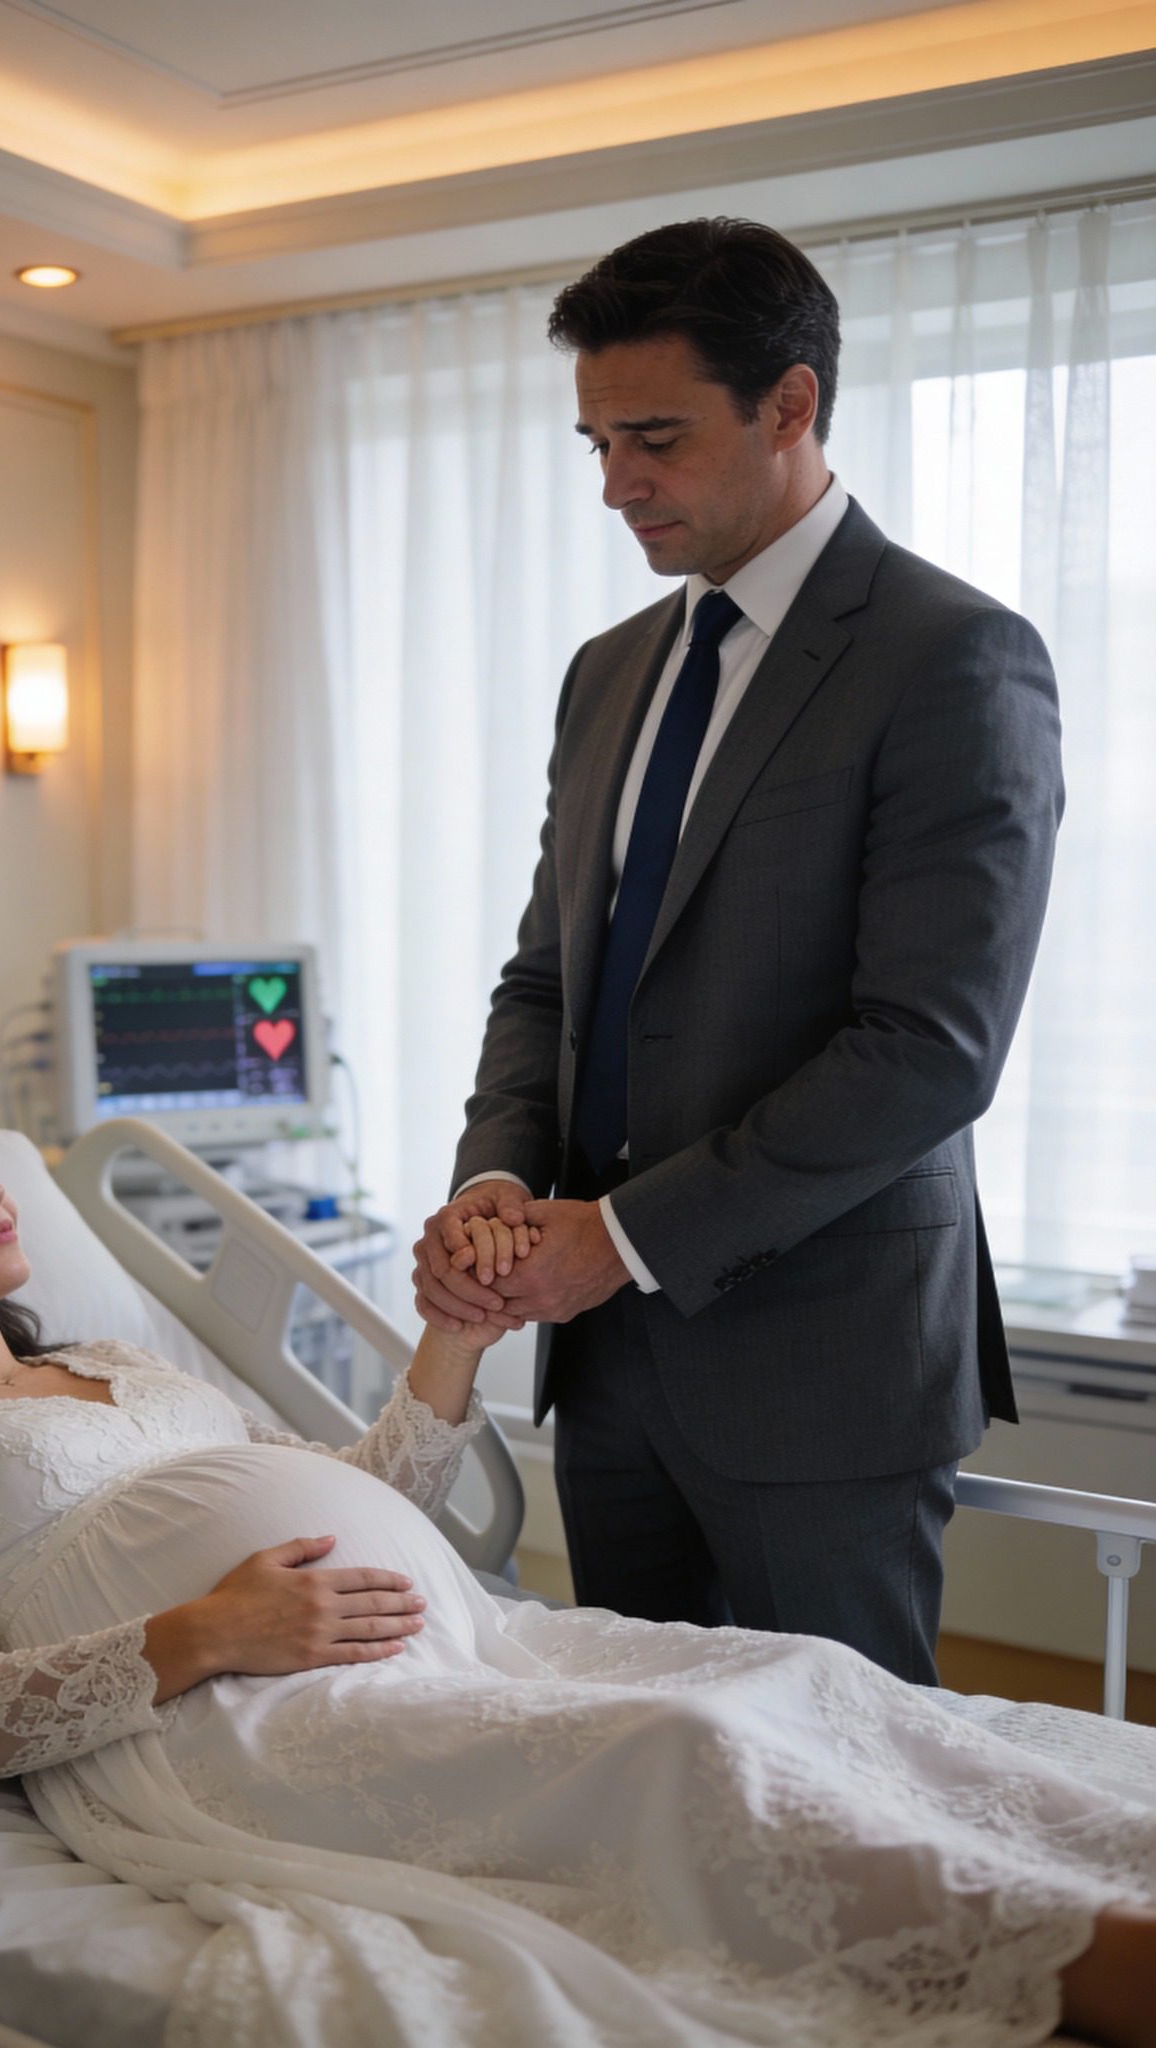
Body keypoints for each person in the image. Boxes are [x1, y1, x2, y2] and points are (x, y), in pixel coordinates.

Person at [0, 1087, 1155, 2048]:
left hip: (460, 1639)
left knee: (796, 1680)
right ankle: (1092, 1967)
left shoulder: (117, 1362)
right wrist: (206, 1633)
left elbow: (362, 1494)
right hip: (235, 1719)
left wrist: (457, 1337)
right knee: (684, 1749)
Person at [412, 216, 1065, 1686]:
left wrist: (622, 1238)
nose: (616, 484)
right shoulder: (608, 674)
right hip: (607, 1375)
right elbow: (547, 981)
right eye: (596, 443)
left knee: (842, 1790)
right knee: (639, 1764)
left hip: (822, 1373)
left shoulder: (952, 655)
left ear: (790, 405)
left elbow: (930, 1052)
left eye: (654, 438)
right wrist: (495, 1184)